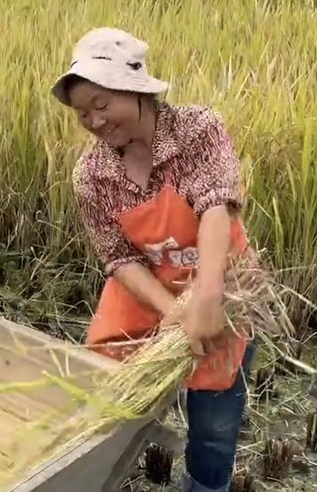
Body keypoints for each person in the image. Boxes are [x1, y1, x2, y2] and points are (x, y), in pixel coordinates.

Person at [50, 27, 255, 492]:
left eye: (101, 104)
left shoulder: (197, 129)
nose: (94, 121)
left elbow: (215, 207)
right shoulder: (92, 174)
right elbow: (118, 257)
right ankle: (99, 471)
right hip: (149, 291)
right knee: (110, 394)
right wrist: (173, 309)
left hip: (221, 284)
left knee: (214, 426)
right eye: (83, 113)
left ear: (134, 88)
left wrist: (205, 296)